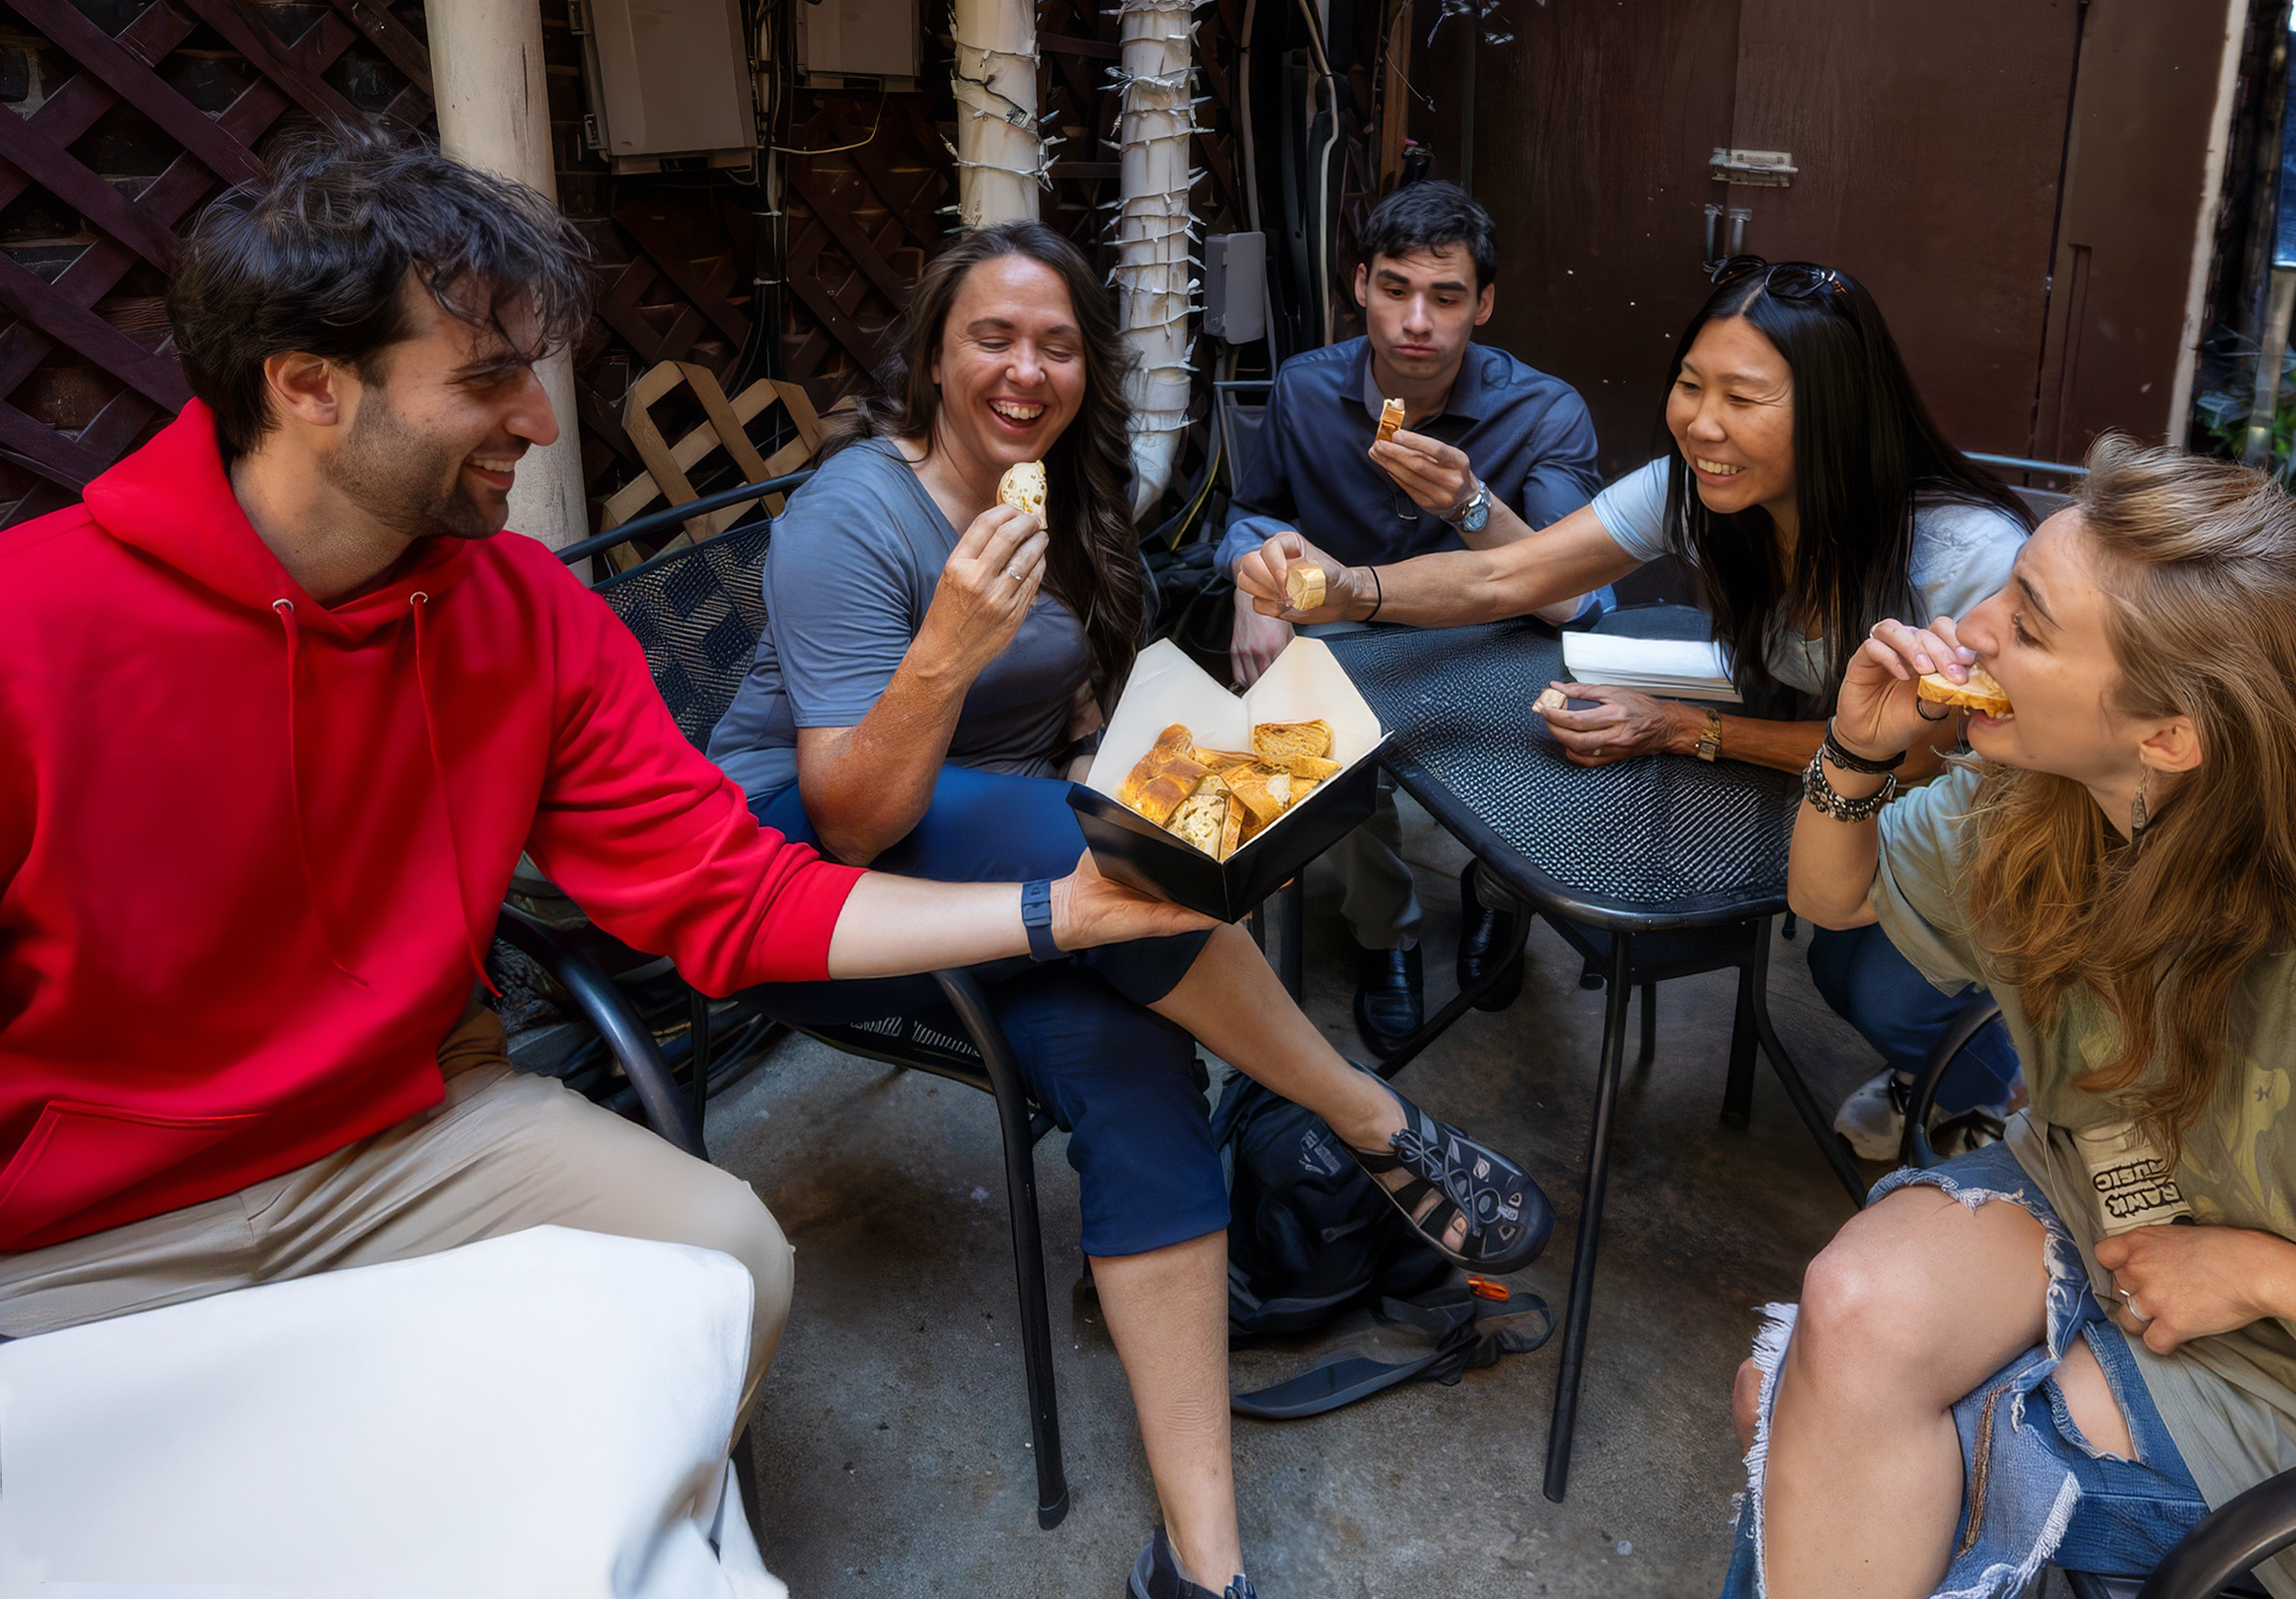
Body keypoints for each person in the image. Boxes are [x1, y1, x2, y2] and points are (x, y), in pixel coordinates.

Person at [0, 130, 1208, 1450]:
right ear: (307, 386)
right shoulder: (33, 627)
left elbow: (730, 889)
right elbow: (849, 803)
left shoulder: (529, 617)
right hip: (83, 1227)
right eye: (487, 377)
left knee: (724, 1260)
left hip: (403, 1134)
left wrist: (1066, 914)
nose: (536, 416)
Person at [703, 219, 1554, 1599]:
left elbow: (1073, 728)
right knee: (1136, 860)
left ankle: (1201, 1567)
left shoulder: (1059, 496)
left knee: (1139, 1066)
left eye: (1054, 344)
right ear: (930, 355)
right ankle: (1369, 1117)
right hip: (808, 879)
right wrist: (945, 652)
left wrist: (1188, 743)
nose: (1024, 369)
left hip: (1001, 875)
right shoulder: (851, 516)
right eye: (990, 336)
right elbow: (856, 812)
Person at [1740, 436, 2296, 1599]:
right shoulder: (2039, 809)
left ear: (2169, 735)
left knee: (1919, 1455)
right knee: (1848, 1312)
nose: (1969, 631)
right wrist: (1856, 752)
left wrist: (2271, 1276)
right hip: (2109, 1196)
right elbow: (1832, 895)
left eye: (2027, 623)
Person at [1236, 256, 2031, 1156]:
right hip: (1823, 777)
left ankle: (1978, 1091)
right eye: (1690, 384)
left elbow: (1920, 757)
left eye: (1742, 396)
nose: (1700, 422)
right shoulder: (1701, 487)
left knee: (1874, 987)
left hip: (1950, 809)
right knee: (1822, 941)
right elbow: (1509, 572)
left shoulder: (1961, 553)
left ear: (1837, 409)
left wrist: (1683, 728)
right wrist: (1348, 590)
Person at [1215, 181, 1607, 1054]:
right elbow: (1252, 512)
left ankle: (1499, 898)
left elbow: (1573, 597)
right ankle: (1384, 937)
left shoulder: (1543, 411)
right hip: (1342, 626)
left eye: (1446, 296)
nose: (1416, 322)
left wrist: (1471, 505)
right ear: (1360, 286)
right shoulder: (1305, 389)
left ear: (1486, 303)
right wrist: (1251, 583)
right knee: (1318, 741)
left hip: (1496, 631)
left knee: (1557, 750)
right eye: (1394, 289)